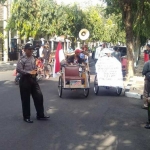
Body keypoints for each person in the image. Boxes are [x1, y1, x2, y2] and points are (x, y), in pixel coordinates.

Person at [16, 43, 49, 123]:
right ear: (25, 50)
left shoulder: (33, 58)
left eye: (32, 49)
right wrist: (28, 72)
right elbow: (19, 69)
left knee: (39, 96)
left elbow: (34, 67)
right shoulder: (22, 59)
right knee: (26, 99)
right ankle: (26, 117)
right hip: (25, 80)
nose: (31, 51)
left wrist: (37, 70)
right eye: (29, 49)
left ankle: (40, 114)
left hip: (33, 79)